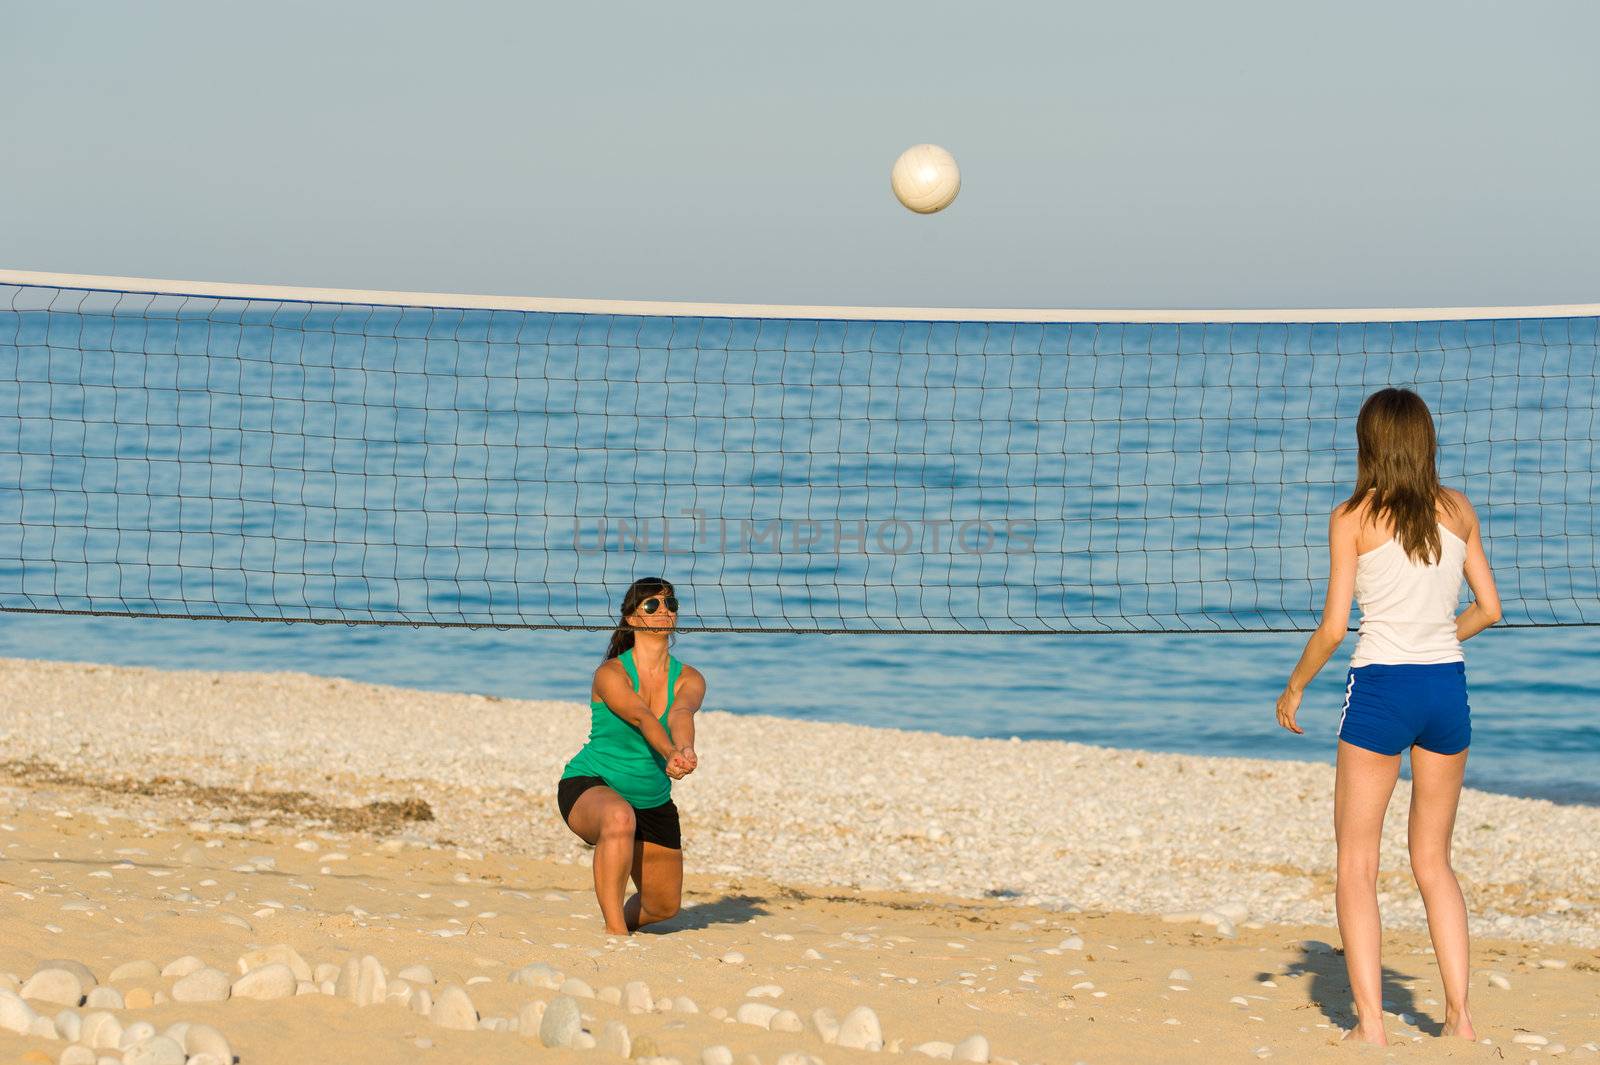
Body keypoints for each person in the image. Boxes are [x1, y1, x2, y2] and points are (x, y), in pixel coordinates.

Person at [1275, 387, 1501, 1046]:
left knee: (1356, 863)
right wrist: (1436, 641)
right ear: (1426, 440)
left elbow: (1334, 627)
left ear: (1367, 443)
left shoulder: (1351, 516)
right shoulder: (1458, 509)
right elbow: (1489, 606)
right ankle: (1459, 1018)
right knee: (1434, 862)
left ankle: (1370, 1025)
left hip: (1380, 691)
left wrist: (1294, 685)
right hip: (1444, 691)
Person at [558, 577, 706, 935]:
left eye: (670, 605)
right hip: (592, 784)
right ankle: (615, 933)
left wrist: (685, 749)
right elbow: (641, 716)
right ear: (631, 617)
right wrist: (669, 751)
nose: (664, 612)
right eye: (652, 605)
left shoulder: (690, 677)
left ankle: (620, 922)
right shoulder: (610, 674)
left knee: (663, 906)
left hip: (651, 798)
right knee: (619, 817)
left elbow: (680, 714)